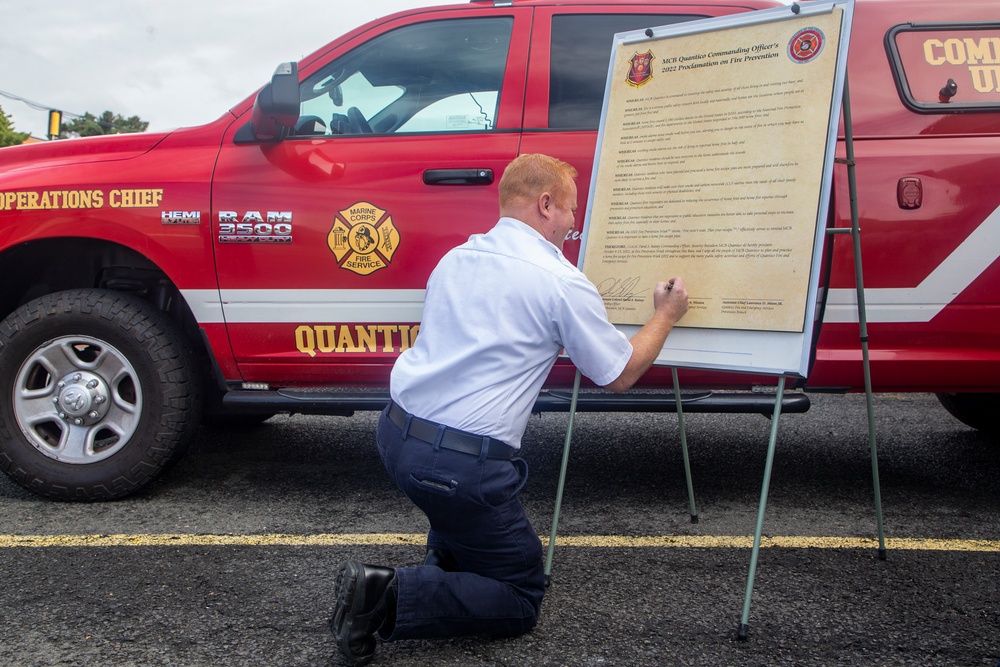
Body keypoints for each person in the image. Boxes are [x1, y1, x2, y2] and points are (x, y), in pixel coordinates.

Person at [329, 153, 689, 665]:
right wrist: (665, 315)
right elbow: (620, 372)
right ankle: (385, 595)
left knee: (459, 518)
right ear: (546, 204)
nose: (573, 223)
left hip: (395, 436)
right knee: (521, 594)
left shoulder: (456, 258)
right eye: (570, 210)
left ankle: (446, 560)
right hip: (458, 468)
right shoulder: (559, 280)